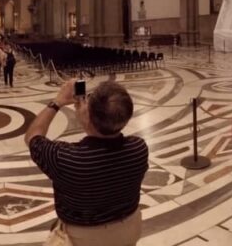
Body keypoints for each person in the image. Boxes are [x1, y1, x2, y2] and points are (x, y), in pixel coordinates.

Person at [25, 80, 149, 246]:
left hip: (84, 239)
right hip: (128, 230)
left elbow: (32, 136)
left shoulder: (66, 158)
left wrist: (58, 102)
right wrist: (90, 121)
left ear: (90, 116)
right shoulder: (139, 148)